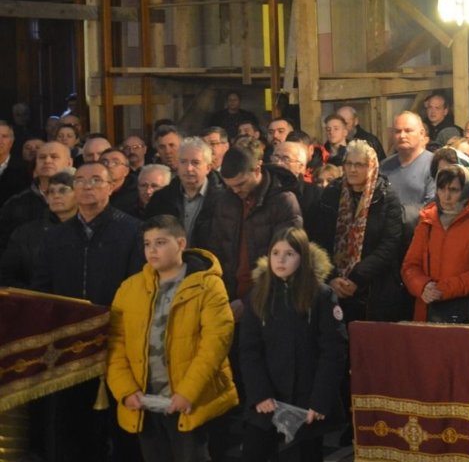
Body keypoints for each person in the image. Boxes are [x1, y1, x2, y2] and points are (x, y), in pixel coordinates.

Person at [35, 160, 144, 462]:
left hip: (117, 338)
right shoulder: (55, 236)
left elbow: (139, 287)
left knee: (122, 425)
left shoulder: (132, 230)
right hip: (68, 344)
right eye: (80, 181)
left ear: (111, 187)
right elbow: (42, 289)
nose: (86, 186)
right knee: (70, 423)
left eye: (96, 180)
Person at [107, 215, 237, 462]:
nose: (152, 250)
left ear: (180, 244)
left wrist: (187, 392)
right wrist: (125, 390)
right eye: (147, 244)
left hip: (191, 400)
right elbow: (115, 344)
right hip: (145, 400)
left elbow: (216, 343)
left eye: (160, 242)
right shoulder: (130, 287)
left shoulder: (208, 285)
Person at [240, 227, 347, 462]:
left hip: (306, 399)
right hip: (268, 396)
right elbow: (249, 350)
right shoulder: (259, 295)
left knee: (307, 454)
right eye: (275, 253)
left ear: (303, 257)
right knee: (254, 452)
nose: (281, 259)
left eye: (289, 254)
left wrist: (319, 401)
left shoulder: (321, 296)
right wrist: (260, 394)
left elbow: (333, 352)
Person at [309, 139, 404, 322]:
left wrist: (356, 278)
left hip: (373, 287)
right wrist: (333, 277)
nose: (352, 169)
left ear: (372, 167)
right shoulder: (332, 193)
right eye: (349, 164)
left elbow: (389, 244)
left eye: (359, 165)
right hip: (333, 285)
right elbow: (318, 239)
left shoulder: (386, 197)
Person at [203, 143, 303, 315]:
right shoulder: (226, 200)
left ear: (257, 170)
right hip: (227, 298)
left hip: (271, 302)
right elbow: (216, 249)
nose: (235, 190)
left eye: (241, 184)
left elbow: (286, 260)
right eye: (230, 186)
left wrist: (249, 301)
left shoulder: (283, 201)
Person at [402, 165, 469, 322]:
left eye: (454, 190)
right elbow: (410, 265)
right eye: (441, 188)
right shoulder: (428, 219)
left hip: (464, 311)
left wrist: (442, 289)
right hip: (427, 309)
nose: (446, 196)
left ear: (466, 191)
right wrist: (422, 286)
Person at [0, 170, 75, 287]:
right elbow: (6, 276)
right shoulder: (25, 233)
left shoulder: (88, 231)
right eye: (51, 192)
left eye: (63, 190)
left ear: (78, 194)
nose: (56, 196)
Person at [380, 111, 436, 238]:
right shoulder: (384, 166)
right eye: (398, 131)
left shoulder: (435, 164)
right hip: (389, 240)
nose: (402, 136)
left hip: (421, 237)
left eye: (408, 130)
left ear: (422, 134)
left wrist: (396, 217)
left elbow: (432, 207)